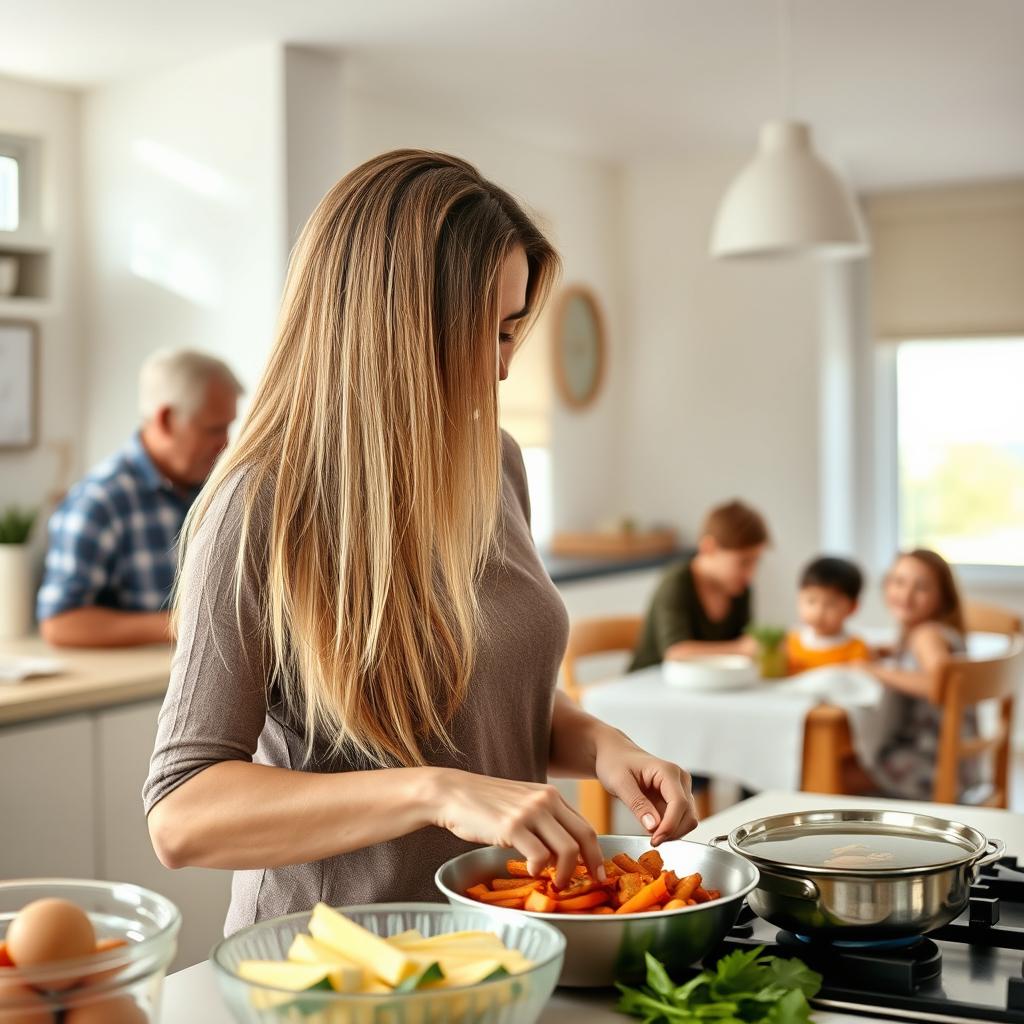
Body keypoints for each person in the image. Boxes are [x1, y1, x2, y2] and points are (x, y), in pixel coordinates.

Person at [143, 150, 697, 934]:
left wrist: (603, 745)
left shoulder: (494, 462)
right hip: (330, 972)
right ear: (391, 330)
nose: (503, 371)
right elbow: (182, 814)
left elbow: (480, 699)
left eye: (513, 333)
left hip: (499, 945)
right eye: (485, 334)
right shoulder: (258, 507)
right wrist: (430, 791)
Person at [36, 349, 241, 648]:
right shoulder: (100, 501)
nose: (227, 443)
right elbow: (60, 623)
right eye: (215, 429)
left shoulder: (219, 489)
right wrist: (183, 622)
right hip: (140, 689)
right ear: (167, 419)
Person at [862, 549, 981, 800]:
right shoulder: (932, 632)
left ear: (942, 598)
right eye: (899, 582)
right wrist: (890, 653)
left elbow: (941, 683)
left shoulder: (925, 636)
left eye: (922, 587)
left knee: (831, 766)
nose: (906, 595)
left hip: (933, 767)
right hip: (962, 766)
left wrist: (874, 670)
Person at [629, 500, 769, 671]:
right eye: (743, 562)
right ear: (708, 547)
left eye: (756, 562)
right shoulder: (676, 582)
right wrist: (739, 649)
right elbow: (676, 652)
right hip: (648, 687)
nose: (750, 573)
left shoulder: (740, 588)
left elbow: (746, 643)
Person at [785, 556, 869, 674]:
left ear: (852, 607)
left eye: (831, 604)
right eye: (811, 601)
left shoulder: (857, 650)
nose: (818, 612)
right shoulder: (788, 643)